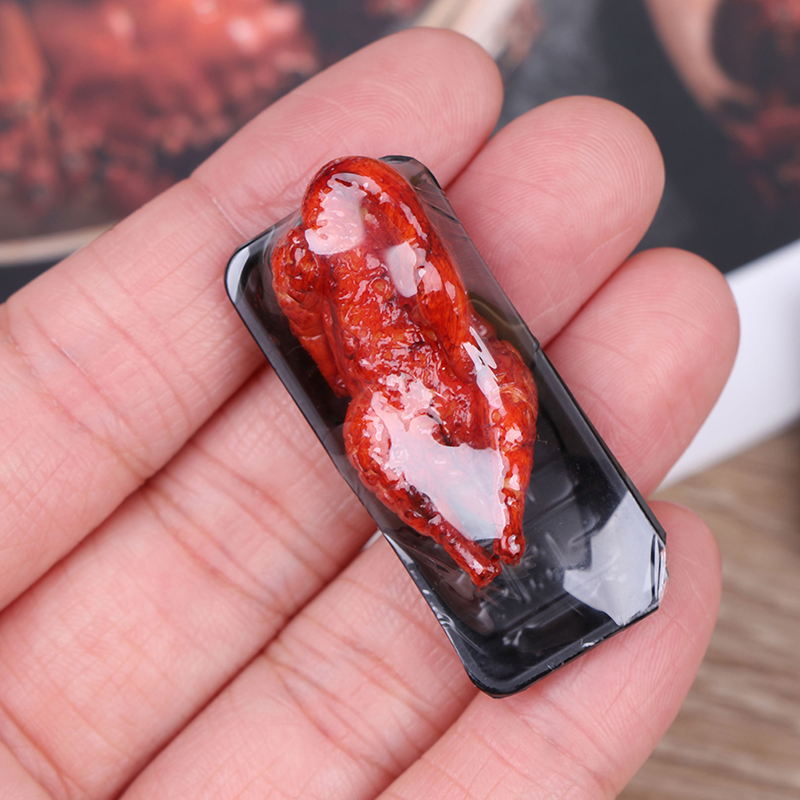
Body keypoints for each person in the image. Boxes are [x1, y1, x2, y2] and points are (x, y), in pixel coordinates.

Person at [0, 28, 738, 800]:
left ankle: (488, 533)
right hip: (393, 387)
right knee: (412, 431)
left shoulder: (388, 243)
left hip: (427, 374)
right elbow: (331, 329)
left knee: (470, 408)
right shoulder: (313, 272)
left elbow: (445, 319)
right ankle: (481, 538)